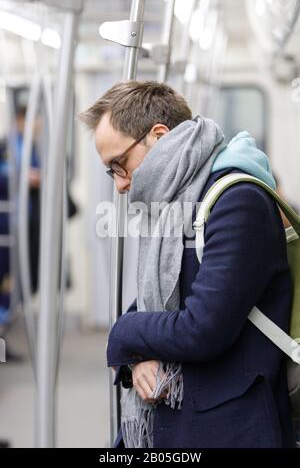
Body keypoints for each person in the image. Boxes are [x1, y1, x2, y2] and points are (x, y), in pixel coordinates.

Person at [80, 81, 296, 448]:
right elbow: (156, 303)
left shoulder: (237, 201)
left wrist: (124, 333)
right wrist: (138, 359)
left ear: (160, 137)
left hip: (227, 426)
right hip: (172, 416)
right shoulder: (174, 202)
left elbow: (203, 328)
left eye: (119, 164)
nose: (119, 184)